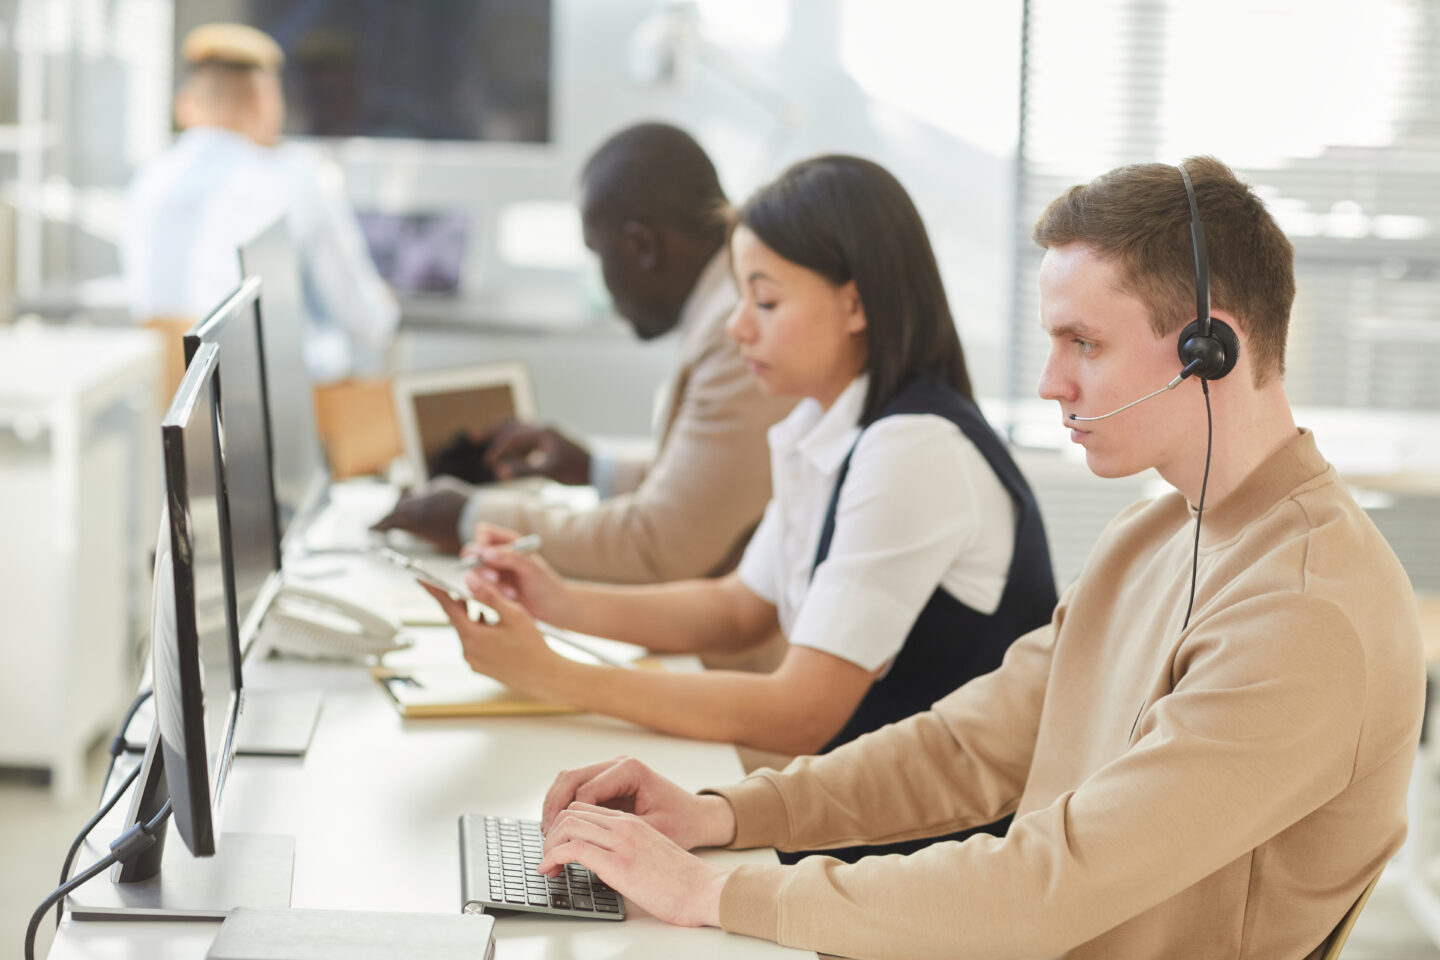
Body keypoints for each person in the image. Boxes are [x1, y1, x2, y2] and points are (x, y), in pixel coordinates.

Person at [523, 157, 1426, 958]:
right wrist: (723, 813)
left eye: (1085, 343)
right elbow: (968, 748)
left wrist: (715, 891)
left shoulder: (1307, 613)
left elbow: (1054, 884)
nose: (1049, 381)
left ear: (1207, 348)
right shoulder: (1156, 536)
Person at [424, 155, 1058, 861]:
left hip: (921, 851)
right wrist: (560, 601)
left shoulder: (913, 449)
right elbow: (738, 607)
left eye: (764, 300)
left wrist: (554, 675)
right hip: (860, 819)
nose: (736, 329)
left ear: (856, 304)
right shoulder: (831, 429)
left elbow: (800, 713)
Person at [373, 123, 794, 584]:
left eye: (598, 254)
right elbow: (712, 491)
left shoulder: (734, 330)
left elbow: (658, 545)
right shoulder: (724, 303)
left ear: (642, 247)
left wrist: (470, 516)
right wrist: (592, 466)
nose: (602, 282)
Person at [123, 22, 397, 382]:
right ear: (262, 101)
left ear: (187, 106)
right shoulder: (295, 178)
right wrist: (385, 307)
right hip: (275, 411)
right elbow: (366, 321)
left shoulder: (146, 183)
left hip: (175, 409)